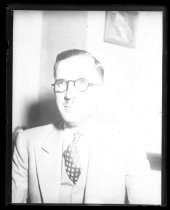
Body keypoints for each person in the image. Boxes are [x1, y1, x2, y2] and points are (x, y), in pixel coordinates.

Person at [12, 49, 159, 204]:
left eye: (81, 83)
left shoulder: (128, 145)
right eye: (61, 83)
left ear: (100, 91)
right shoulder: (27, 142)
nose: (69, 94)